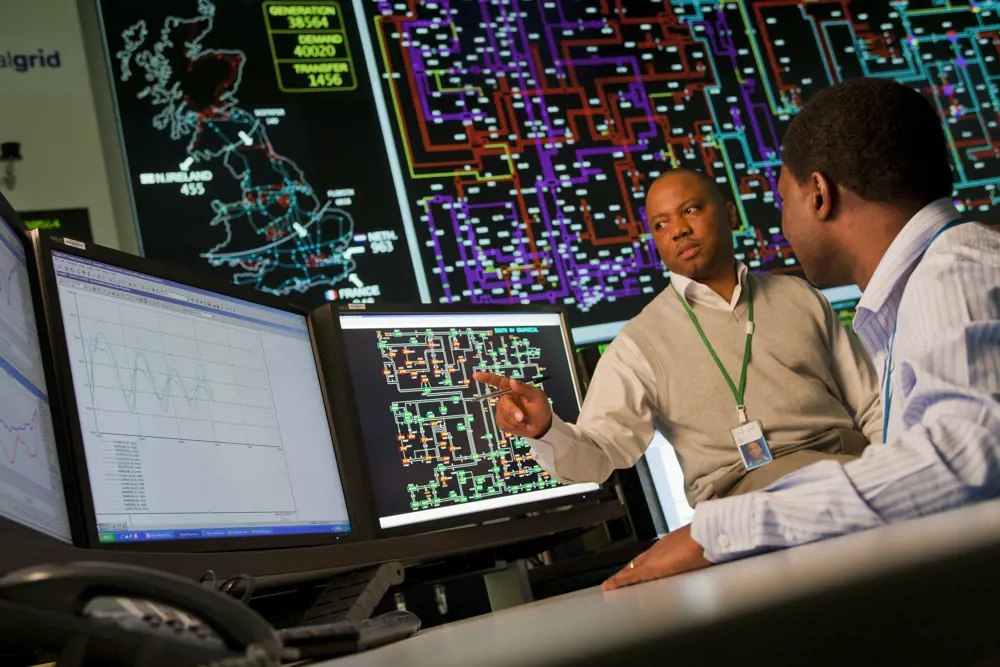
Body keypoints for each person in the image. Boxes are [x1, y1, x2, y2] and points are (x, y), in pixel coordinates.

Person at [600, 77, 1000, 591]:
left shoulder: (954, 274)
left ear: (819, 195)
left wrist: (720, 529)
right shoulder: (933, 283)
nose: (782, 222)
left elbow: (971, 458)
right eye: (660, 223)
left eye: (782, 199)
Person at [474, 168, 883, 512]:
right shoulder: (638, 344)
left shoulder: (800, 297)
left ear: (728, 214)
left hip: (856, 477)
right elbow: (598, 457)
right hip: (747, 509)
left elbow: (874, 407)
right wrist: (546, 429)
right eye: (661, 224)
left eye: (690, 210)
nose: (678, 231)